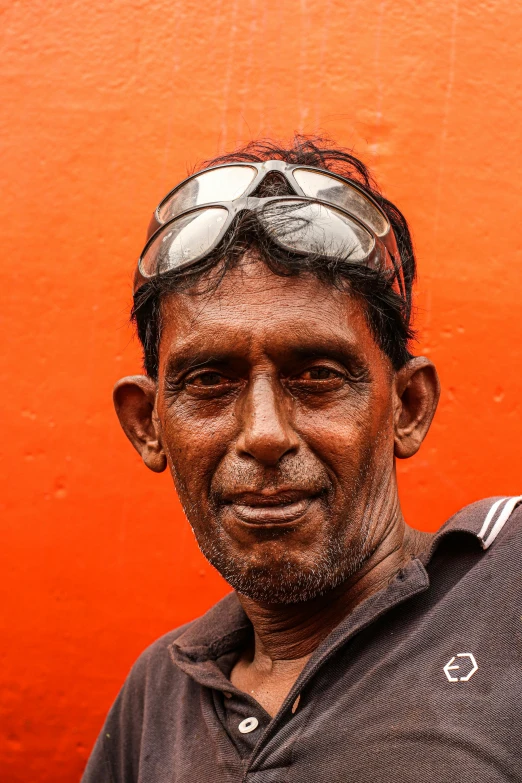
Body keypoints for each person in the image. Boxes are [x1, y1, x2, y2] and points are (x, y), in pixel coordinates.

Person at [82, 136, 522, 783]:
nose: (263, 434)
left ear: (407, 405)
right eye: (210, 380)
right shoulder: (157, 697)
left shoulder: (506, 585)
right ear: (148, 424)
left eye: (316, 374)